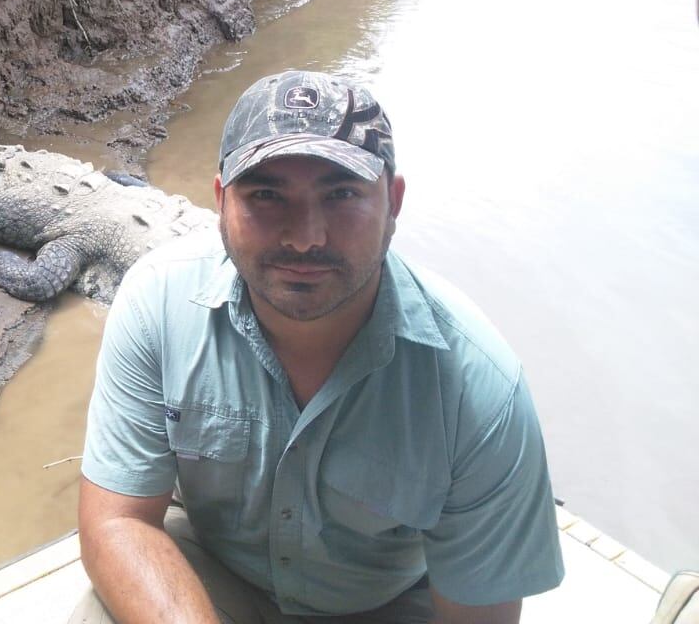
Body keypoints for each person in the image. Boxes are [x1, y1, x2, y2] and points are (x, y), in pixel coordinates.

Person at [70, 70, 564, 624]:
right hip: (217, 574)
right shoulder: (158, 303)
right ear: (221, 201)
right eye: (266, 195)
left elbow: (478, 617)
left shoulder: (479, 387)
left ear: (393, 201)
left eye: (341, 194)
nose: (305, 237)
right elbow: (120, 521)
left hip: (387, 602)